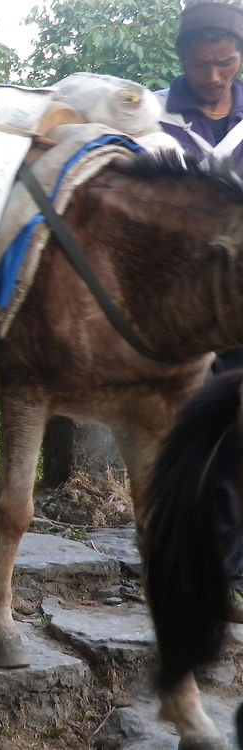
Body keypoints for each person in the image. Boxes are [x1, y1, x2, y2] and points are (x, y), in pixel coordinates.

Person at [157, 0, 243, 620]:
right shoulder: (155, 122)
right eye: (201, 63)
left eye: (225, 63)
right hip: (179, 306)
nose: (213, 77)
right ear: (182, 57)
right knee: (189, 433)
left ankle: (227, 569)